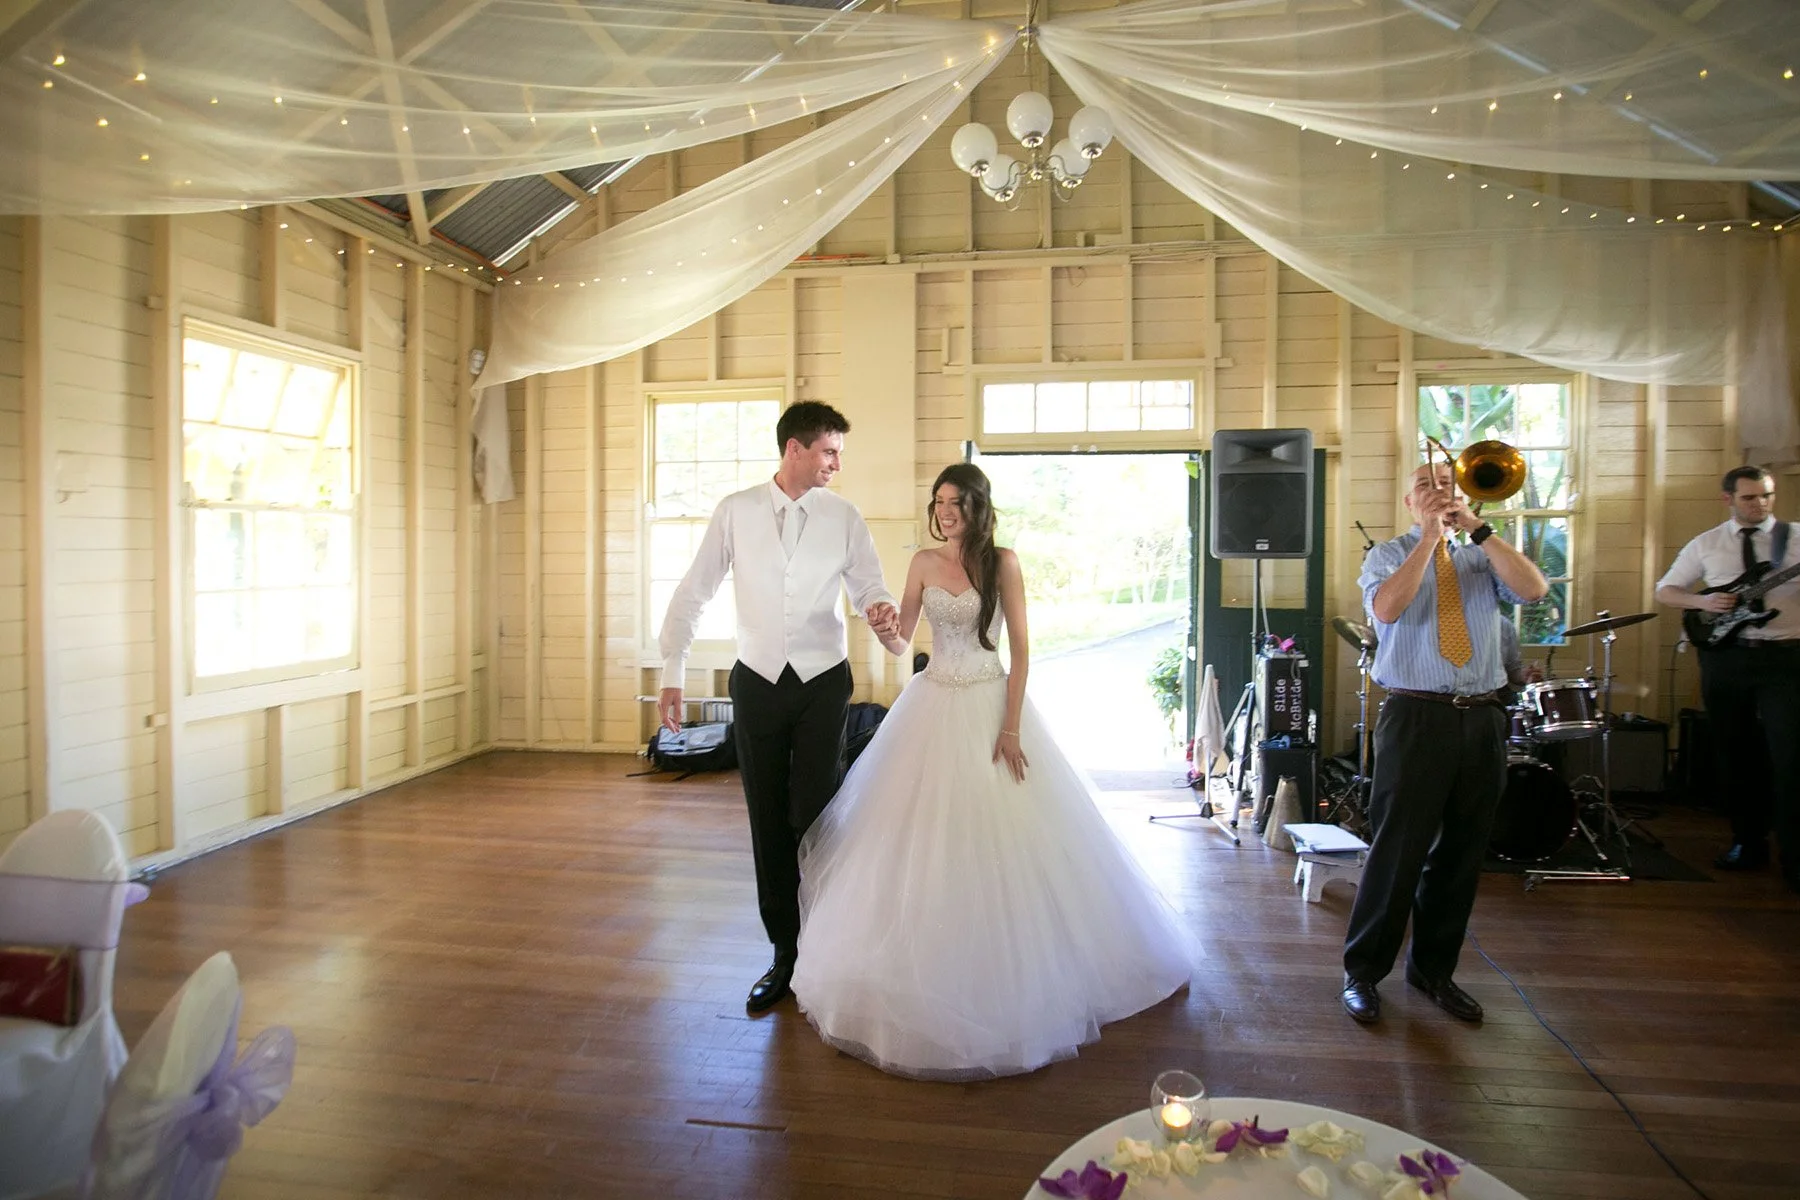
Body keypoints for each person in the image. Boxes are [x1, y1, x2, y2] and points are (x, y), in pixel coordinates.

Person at [789, 463, 1198, 1080]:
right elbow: (902, 642)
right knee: (916, 837)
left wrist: (1009, 729)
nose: (945, 511)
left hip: (988, 701)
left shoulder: (1003, 561)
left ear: (978, 506)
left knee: (1011, 831)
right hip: (930, 703)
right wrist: (884, 631)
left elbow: (1022, 649)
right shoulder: (924, 563)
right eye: (939, 501)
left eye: (956, 501)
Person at [657, 401, 899, 1015]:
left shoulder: (844, 517)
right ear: (795, 449)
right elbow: (693, 589)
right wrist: (672, 671)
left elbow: (870, 584)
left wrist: (878, 608)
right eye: (829, 452)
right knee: (766, 819)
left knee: (816, 812)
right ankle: (784, 954)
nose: (836, 465)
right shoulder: (734, 512)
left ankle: (826, 941)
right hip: (757, 683)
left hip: (823, 682)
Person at [1341, 461, 1548, 1026]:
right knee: (1397, 850)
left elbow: (1533, 589)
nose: (1439, 494)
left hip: (1482, 717)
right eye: (1426, 488)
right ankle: (1362, 973)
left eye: (1447, 487)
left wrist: (1477, 530)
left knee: (1461, 853)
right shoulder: (1386, 556)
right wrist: (1431, 540)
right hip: (1416, 715)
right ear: (1410, 503)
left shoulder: (1486, 555)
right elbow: (1387, 609)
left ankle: (1433, 971)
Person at [1654, 466, 1800, 890]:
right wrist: (1703, 599)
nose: (1760, 504)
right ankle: (1746, 842)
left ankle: (1794, 855)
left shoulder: (1794, 538)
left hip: (1787, 658)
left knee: (1790, 757)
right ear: (1728, 499)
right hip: (1727, 658)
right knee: (1736, 752)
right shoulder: (1707, 544)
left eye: (1767, 496)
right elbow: (1665, 590)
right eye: (1750, 498)